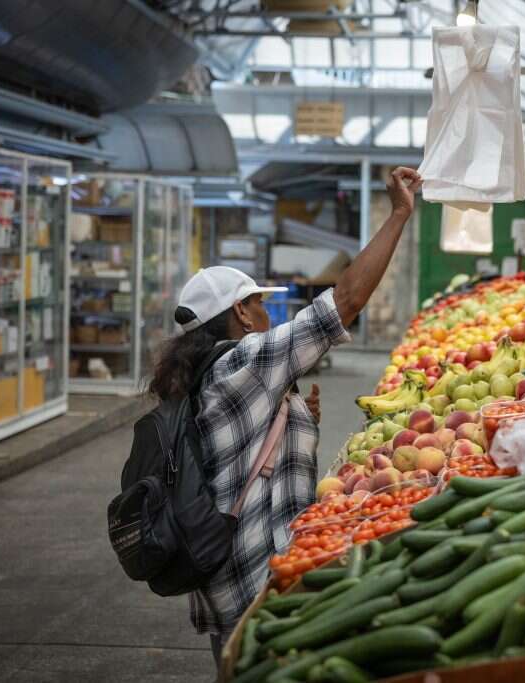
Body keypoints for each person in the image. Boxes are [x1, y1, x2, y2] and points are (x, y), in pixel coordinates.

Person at [147, 167, 423, 663]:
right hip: (254, 574)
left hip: (226, 574)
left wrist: (294, 417)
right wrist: (399, 214)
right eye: (258, 304)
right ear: (241, 313)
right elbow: (343, 303)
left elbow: (234, 447)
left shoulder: (205, 371)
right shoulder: (244, 362)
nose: (266, 314)